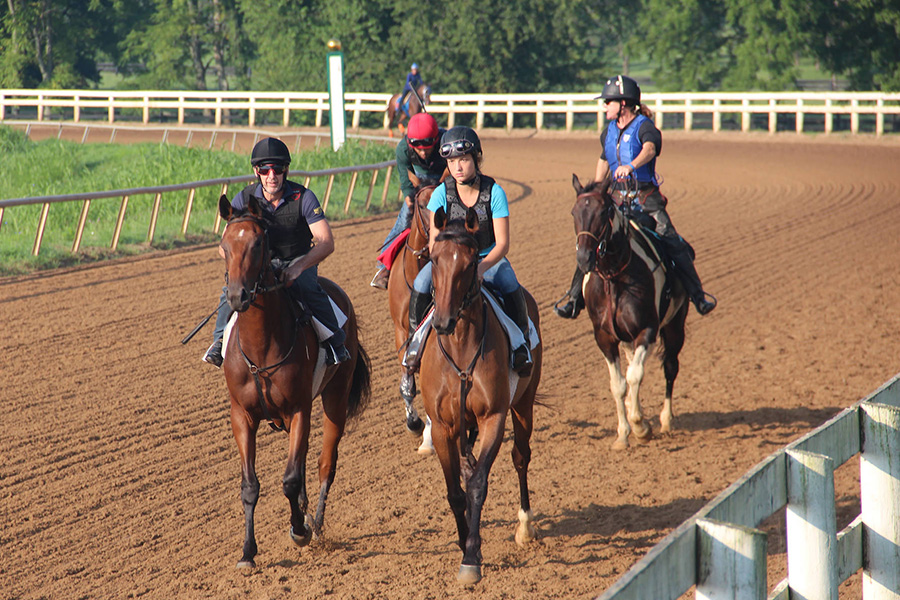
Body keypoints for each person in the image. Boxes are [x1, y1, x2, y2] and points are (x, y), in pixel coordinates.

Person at [555, 75, 717, 319]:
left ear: (623, 104)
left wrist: (631, 166)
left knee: (671, 239)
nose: (604, 106)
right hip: (616, 200)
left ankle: (697, 295)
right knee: (590, 239)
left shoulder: (644, 127)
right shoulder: (608, 132)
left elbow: (650, 149)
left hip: (645, 199)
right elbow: (603, 160)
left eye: (608, 102)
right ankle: (575, 298)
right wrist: (598, 189)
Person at [203, 137, 351, 367]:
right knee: (230, 291)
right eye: (265, 169)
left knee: (307, 287)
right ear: (256, 171)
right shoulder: (243, 198)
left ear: (286, 170)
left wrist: (298, 267)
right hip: (262, 265)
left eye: (278, 169)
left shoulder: (304, 197)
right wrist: (242, 267)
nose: (272, 175)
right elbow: (225, 245)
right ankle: (219, 341)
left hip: (299, 261)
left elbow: (326, 242)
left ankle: (335, 342)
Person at [409, 126, 533, 376]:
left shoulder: (495, 193)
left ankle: (521, 345)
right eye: (452, 162)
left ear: (476, 159)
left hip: (489, 258)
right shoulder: (441, 194)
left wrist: (482, 268)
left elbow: (502, 244)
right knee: (421, 284)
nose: (458, 167)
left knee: (510, 285)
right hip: (450, 262)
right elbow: (434, 241)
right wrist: (446, 264)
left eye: (463, 160)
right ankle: (416, 342)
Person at [370, 112, 448, 289]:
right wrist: (409, 198)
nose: (422, 152)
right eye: (417, 148)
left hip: (447, 179)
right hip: (420, 182)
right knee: (404, 219)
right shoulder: (402, 149)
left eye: (426, 147)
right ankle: (384, 267)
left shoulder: (446, 141)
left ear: (435, 140)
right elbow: (406, 181)